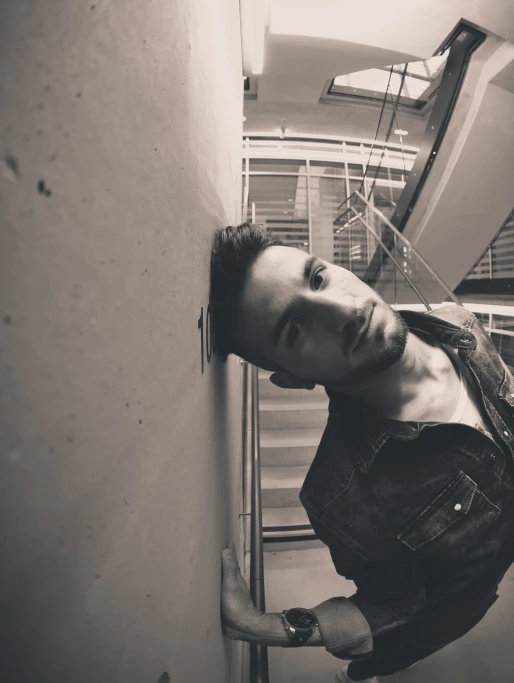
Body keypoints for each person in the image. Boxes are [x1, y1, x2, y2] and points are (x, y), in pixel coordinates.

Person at [213, 222, 514, 683]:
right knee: (392, 655)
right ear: (292, 378)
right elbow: (391, 603)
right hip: (459, 605)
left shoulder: (460, 324)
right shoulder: (341, 493)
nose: (344, 310)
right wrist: (266, 627)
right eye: (295, 330)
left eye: (317, 278)